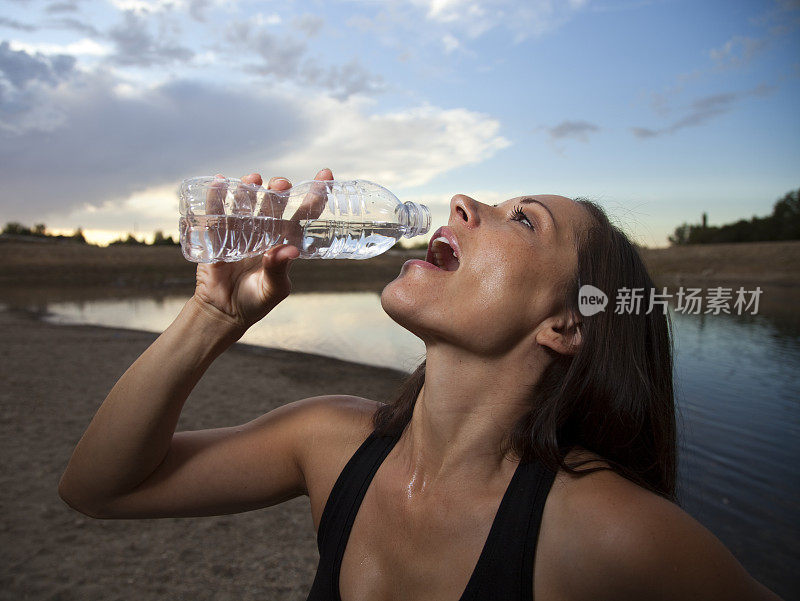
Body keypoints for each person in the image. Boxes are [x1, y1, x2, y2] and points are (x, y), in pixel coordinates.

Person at [58, 168, 782, 601]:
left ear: (566, 323)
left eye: (522, 219)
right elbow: (100, 487)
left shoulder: (604, 532)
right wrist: (212, 313)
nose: (464, 202)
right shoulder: (332, 441)